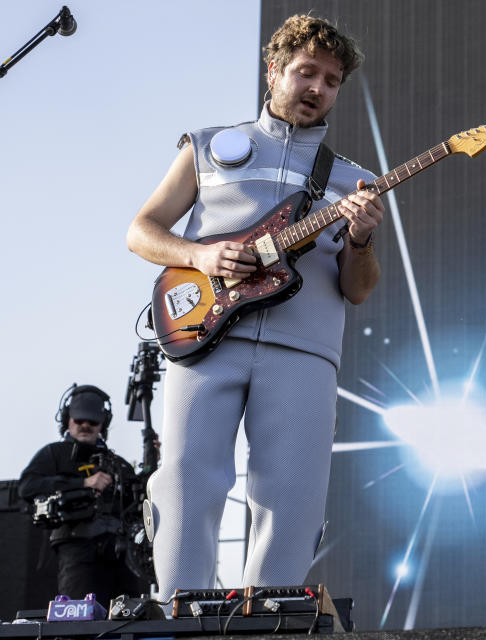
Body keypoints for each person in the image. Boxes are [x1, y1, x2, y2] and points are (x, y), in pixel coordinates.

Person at [126, 15, 385, 599]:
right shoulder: (207, 147)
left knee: (291, 492)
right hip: (205, 339)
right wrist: (201, 255)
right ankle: (179, 614)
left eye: (332, 79)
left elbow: (359, 288)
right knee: (187, 480)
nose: (318, 87)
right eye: (305, 72)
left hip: (305, 349)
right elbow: (141, 232)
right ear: (274, 70)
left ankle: (269, 622)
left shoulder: (356, 181)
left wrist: (363, 240)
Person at [19, 385, 146, 602]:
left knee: (130, 617)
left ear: (102, 424)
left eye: (92, 422)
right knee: (80, 617)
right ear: (68, 420)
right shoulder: (54, 453)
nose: (85, 426)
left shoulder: (117, 463)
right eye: (79, 420)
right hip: (78, 549)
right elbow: (28, 487)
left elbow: (140, 500)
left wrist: (156, 466)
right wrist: (83, 482)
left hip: (120, 552)